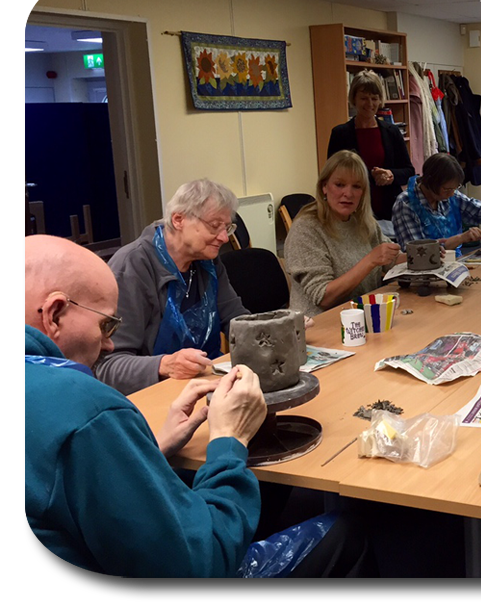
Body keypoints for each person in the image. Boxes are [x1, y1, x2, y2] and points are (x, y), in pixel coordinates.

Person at [25, 234, 268, 576]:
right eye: (106, 323)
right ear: (54, 313)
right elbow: (199, 564)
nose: (110, 344)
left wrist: (151, 448)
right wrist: (229, 440)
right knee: (353, 529)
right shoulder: (86, 412)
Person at [94, 179, 249, 395]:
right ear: (178, 220)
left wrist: (276, 329)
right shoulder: (132, 267)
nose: (224, 238)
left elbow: (237, 321)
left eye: (227, 228)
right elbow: (107, 367)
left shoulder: (208, 260)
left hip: (204, 384)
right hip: (151, 396)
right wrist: (164, 365)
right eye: (214, 226)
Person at [285, 150, 403, 317]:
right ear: (324, 187)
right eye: (340, 185)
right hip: (318, 327)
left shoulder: (364, 223)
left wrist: (426, 253)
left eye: (356, 186)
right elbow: (323, 297)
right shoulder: (306, 228)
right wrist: (370, 260)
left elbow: (392, 260)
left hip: (363, 320)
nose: (348, 193)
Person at [327, 70, 415, 226]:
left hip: (389, 212)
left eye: (374, 98)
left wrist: (390, 175)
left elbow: (409, 171)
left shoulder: (392, 132)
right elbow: (331, 176)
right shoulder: (340, 134)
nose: (370, 104)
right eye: (364, 98)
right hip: (353, 212)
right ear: (354, 99)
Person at [392, 152, 481, 252]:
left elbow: (479, 209)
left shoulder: (450, 195)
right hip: (423, 270)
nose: (451, 194)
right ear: (430, 182)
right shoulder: (405, 204)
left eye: (455, 188)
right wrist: (460, 238)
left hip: (454, 264)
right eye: (447, 189)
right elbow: (418, 253)